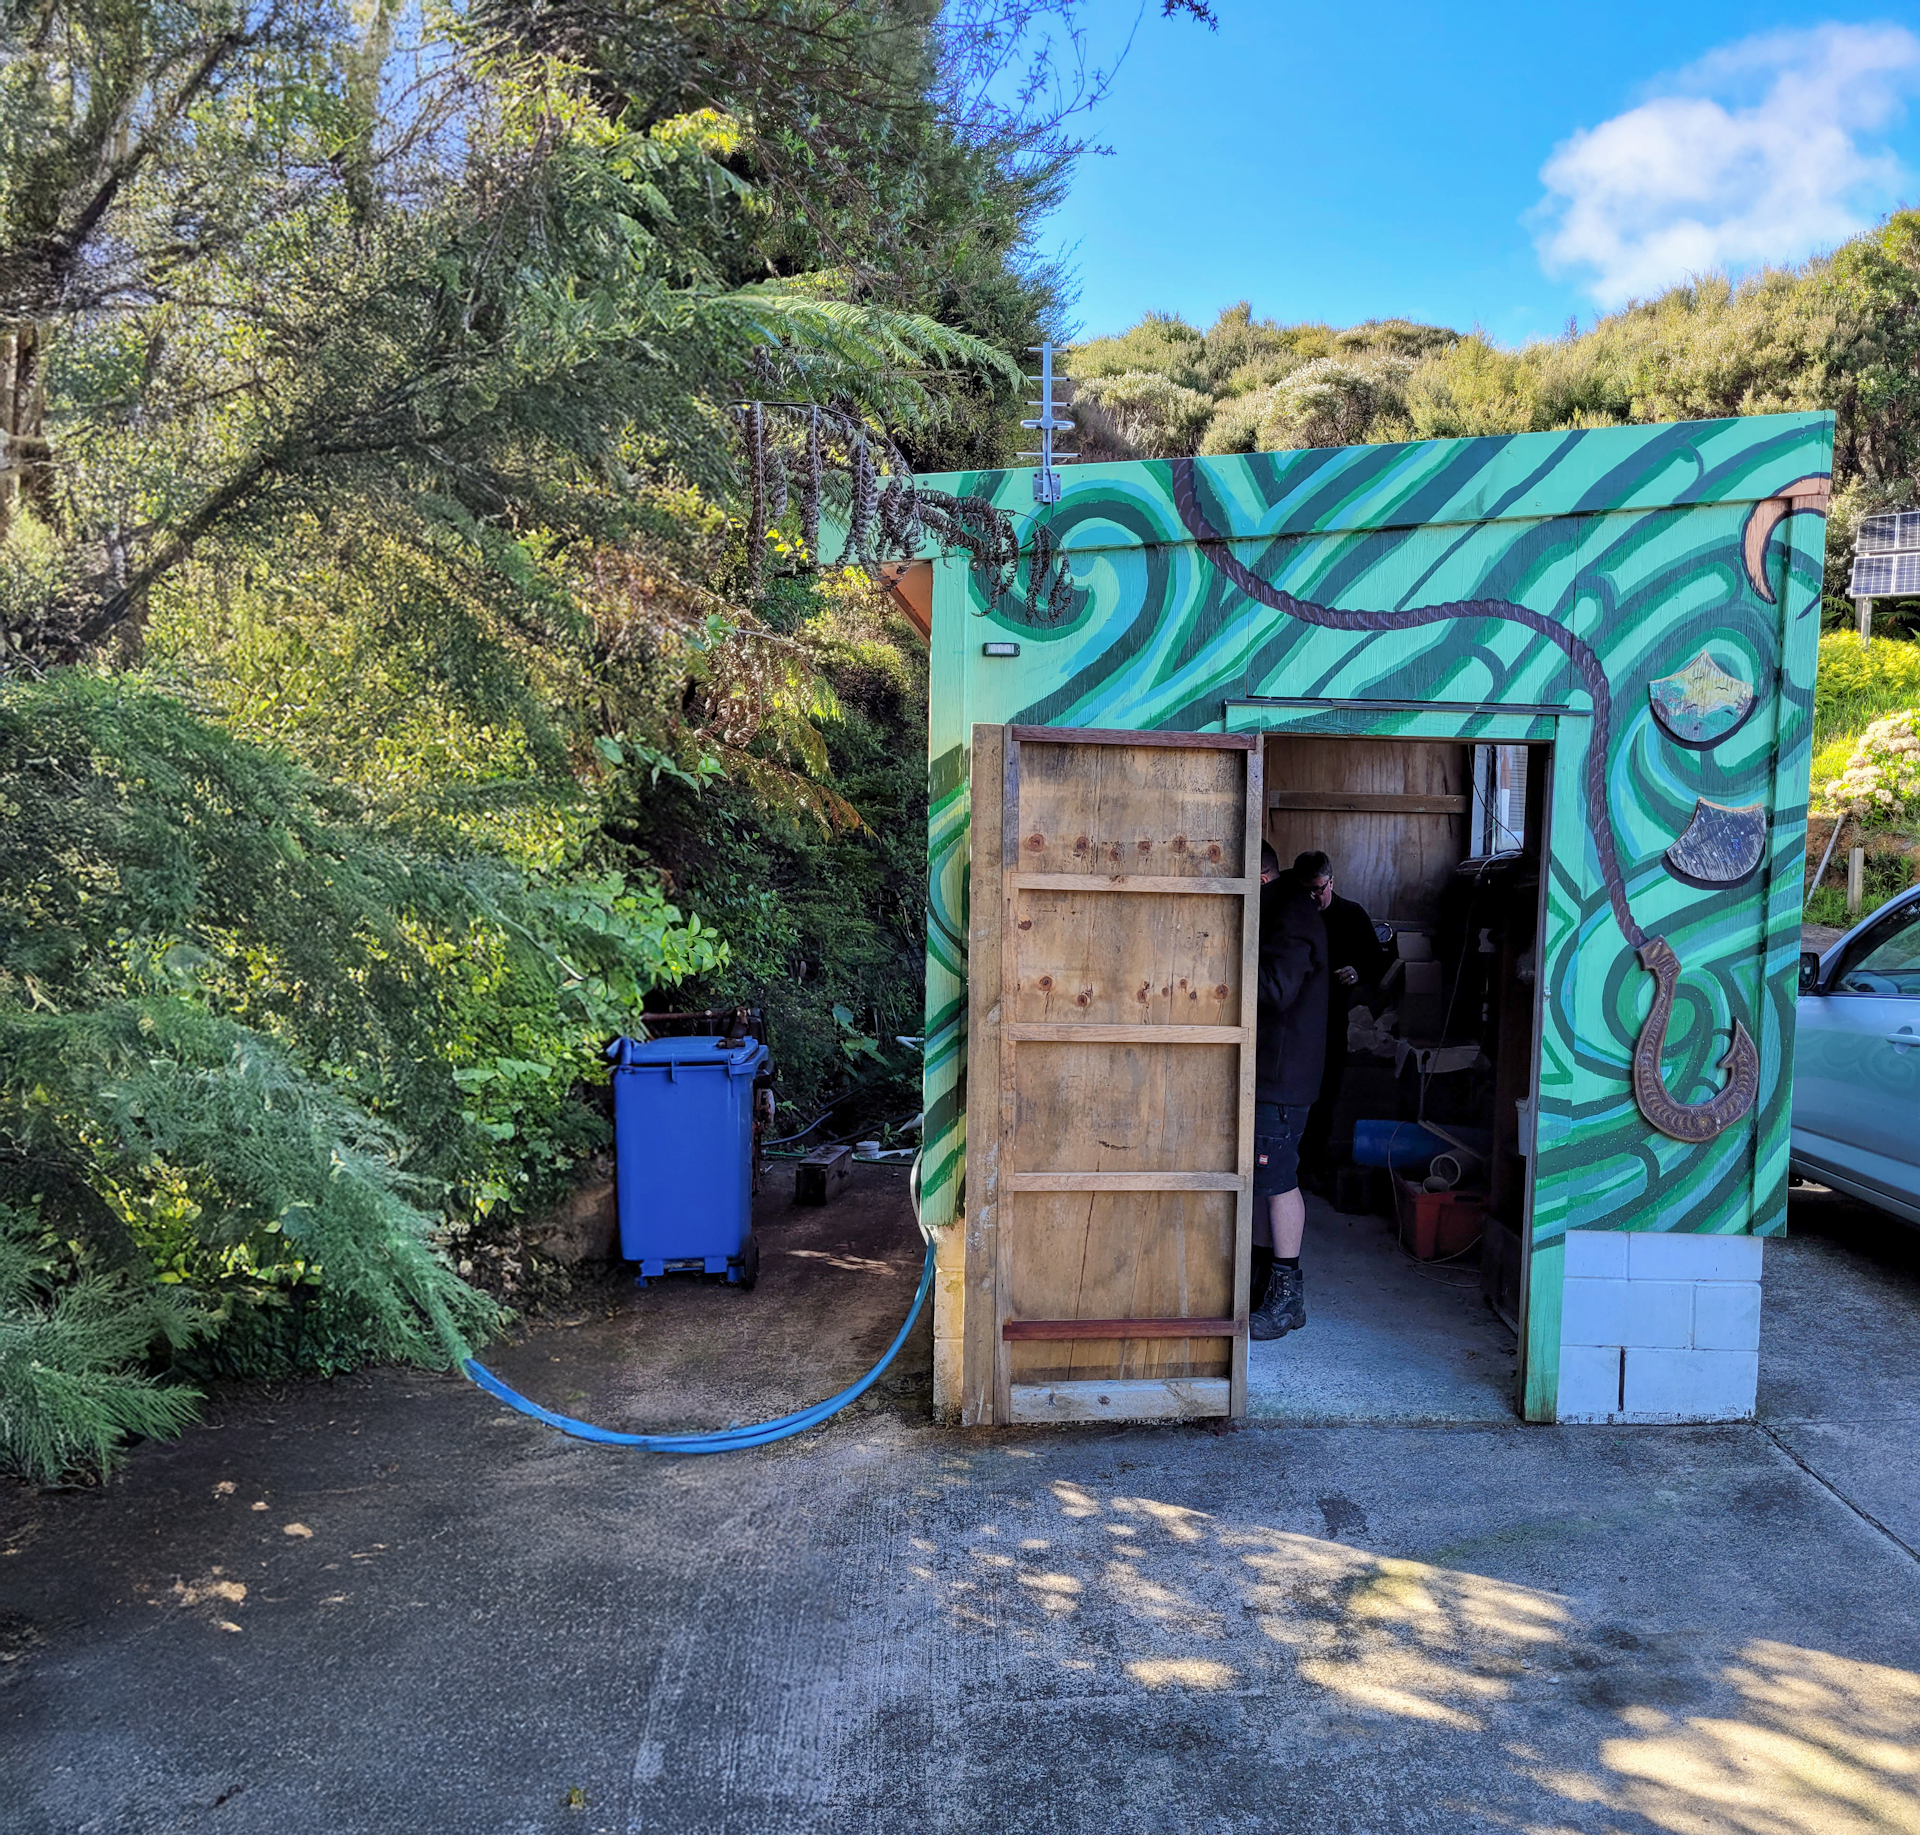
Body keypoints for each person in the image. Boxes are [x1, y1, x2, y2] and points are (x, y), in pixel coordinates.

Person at [1250, 842, 1329, 1341]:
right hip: (1274, 1073)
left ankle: (1287, 1298)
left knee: (1279, 1179)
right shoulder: (1282, 908)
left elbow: (1277, 988)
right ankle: (1262, 1284)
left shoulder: (1289, 910)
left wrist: (1220, 959)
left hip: (1283, 1075)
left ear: (1257, 876)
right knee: (1263, 1181)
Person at [1295, 852, 1390, 1186]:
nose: (1313, 897)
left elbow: (1377, 964)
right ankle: (1291, 1164)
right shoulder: (1291, 912)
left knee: (1327, 1090)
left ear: (1331, 883)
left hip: (1332, 1017)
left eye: (1318, 890)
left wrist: (1357, 971)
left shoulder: (1351, 915)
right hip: (1292, 1018)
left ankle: (1315, 1162)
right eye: (1306, 890)